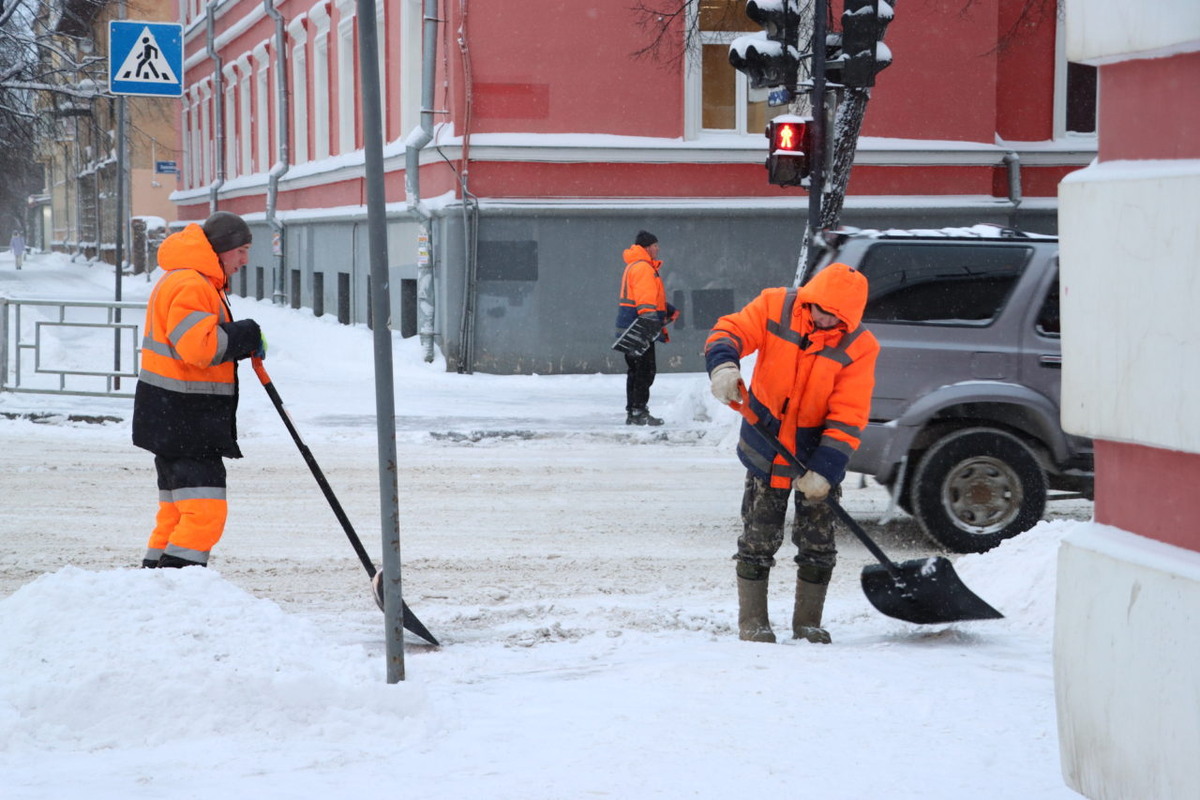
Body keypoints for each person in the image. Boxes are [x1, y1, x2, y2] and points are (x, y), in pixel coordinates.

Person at [705, 263, 880, 644]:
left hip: (816, 453)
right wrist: (723, 366)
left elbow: (848, 415)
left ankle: (808, 622)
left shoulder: (858, 346)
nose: (823, 318)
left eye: (835, 315)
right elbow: (730, 330)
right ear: (811, 298)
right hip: (766, 445)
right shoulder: (776, 307)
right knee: (759, 534)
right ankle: (753, 621)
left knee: (818, 541)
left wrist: (825, 468)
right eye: (820, 308)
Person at [133, 211, 265, 568]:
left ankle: (149, 586)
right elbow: (198, 348)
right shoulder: (191, 284)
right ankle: (177, 588)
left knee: (176, 514)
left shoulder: (191, 280)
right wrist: (246, 334)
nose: (245, 259)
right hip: (186, 421)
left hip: (172, 417)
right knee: (204, 514)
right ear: (222, 249)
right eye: (242, 250)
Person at [615, 230, 677, 425]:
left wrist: (665, 309)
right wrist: (652, 321)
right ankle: (639, 411)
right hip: (640, 327)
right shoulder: (643, 268)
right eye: (655, 245)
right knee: (645, 370)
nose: (658, 249)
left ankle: (633, 412)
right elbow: (645, 299)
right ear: (647, 247)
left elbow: (644, 297)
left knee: (635, 370)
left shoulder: (634, 266)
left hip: (629, 325)